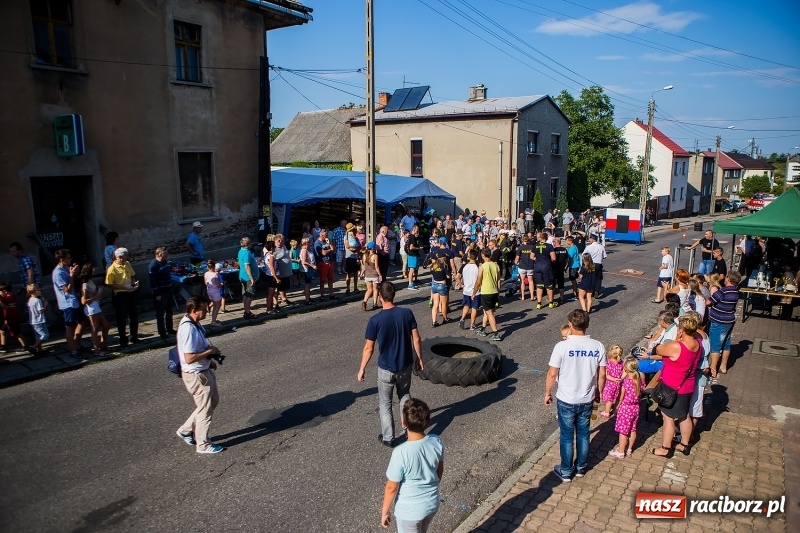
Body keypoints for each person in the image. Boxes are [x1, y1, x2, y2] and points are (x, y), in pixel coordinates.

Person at [357, 281, 424, 447]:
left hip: (386, 368)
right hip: (405, 364)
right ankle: (408, 426)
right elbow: (416, 338)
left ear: (380, 297)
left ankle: (388, 437)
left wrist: (362, 368)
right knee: (405, 395)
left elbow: (368, 348)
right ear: (394, 295)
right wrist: (419, 358)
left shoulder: (375, 320)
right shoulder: (407, 313)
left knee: (385, 403)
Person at [545, 309, 607, 481]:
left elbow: (552, 373)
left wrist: (547, 393)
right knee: (583, 433)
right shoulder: (598, 346)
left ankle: (566, 470)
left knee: (566, 436)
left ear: (570, 325)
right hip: (586, 397)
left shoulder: (562, 346)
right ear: (587, 325)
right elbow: (602, 374)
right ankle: (580, 467)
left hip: (566, 398)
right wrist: (599, 391)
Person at [381, 398, 444, 532]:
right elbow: (439, 471)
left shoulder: (400, 452)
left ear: (403, 422)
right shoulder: (436, 441)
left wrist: (385, 512)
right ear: (428, 422)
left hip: (410, 512)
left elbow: (391, 487)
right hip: (432, 503)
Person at [175, 296, 225, 454]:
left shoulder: (193, 322)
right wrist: (209, 352)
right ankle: (203, 444)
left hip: (203, 369)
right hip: (196, 375)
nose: (207, 311)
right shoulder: (188, 329)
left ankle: (185, 430)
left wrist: (208, 361)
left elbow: (197, 349)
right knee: (205, 409)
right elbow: (189, 358)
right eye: (204, 309)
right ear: (194, 311)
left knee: (212, 401)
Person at [650, 314, 702, 458]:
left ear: (681, 330)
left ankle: (665, 448)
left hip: (671, 387)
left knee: (667, 418)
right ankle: (684, 444)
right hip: (687, 386)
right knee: (684, 416)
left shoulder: (676, 346)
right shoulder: (698, 343)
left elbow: (657, 349)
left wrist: (675, 339)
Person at [52, 249, 87, 358]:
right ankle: (73, 350)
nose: (70, 259)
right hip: (68, 303)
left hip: (74, 300)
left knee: (82, 321)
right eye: (68, 258)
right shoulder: (58, 273)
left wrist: (74, 272)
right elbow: (67, 289)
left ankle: (76, 344)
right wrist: (71, 276)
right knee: (69, 327)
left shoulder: (66, 268)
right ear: (62, 260)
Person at [706, 270, 741, 379]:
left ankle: (713, 369)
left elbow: (708, 302)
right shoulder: (735, 292)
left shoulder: (723, 291)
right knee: (726, 344)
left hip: (718, 321)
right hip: (729, 321)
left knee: (715, 346)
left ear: (728, 279)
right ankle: (724, 366)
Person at [607, 358, 645, 459]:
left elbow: (620, 397)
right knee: (632, 429)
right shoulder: (639, 379)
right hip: (635, 407)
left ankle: (620, 451)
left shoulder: (626, 382)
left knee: (623, 431)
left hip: (625, 408)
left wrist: (615, 408)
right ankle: (629, 449)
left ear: (625, 368)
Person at [105, 248, 140, 347]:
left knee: (134, 315)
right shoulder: (112, 269)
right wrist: (124, 287)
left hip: (130, 292)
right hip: (120, 295)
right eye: (126, 255)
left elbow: (132, 275)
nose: (128, 257)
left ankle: (134, 337)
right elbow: (110, 284)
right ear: (120, 257)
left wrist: (134, 283)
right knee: (121, 318)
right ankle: (123, 340)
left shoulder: (127, 264)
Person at [79, 263, 110, 356]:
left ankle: (102, 343)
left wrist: (98, 288)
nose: (94, 271)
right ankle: (96, 349)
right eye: (92, 270)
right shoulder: (84, 284)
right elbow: (84, 301)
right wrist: (97, 295)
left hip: (96, 305)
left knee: (106, 326)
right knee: (95, 328)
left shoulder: (90, 281)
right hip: (91, 307)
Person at [473, 248, 502, 341]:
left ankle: (496, 333)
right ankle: (483, 329)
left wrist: (474, 292)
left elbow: (478, 281)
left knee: (489, 313)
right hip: (494, 291)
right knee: (487, 311)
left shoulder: (482, 267)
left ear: (483, 256)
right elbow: (498, 280)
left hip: (486, 291)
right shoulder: (496, 266)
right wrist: (498, 292)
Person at [149, 247, 175, 340]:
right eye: (166, 254)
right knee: (160, 313)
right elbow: (153, 281)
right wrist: (157, 294)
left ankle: (170, 328)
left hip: (168, 289)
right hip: (161, 292)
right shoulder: (154, 265)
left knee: (170, 311)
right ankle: (162, 332)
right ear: (160, 254)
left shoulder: (165, 263)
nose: (167, 255)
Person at [0, 282, 27, 353]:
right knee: (2, 331)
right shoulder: (12, 296)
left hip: (10, 319)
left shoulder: (5, 299)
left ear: (4, 291)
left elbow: (3, 305)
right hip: (12, 317)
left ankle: (25, 346)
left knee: (17, 333)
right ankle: (3, 346)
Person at [532, 232, 557, 309]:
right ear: (546, 238)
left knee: (539, 285)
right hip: (546, 267)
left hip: (537, 267)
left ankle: (539, 303)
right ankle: (551, 303)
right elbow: (554, 258)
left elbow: (531, 256)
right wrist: (549, 261)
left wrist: (537, 260)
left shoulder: (535, 246)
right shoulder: (549, 246)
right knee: (549, 286)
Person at [458, 249, 481, 331]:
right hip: (475, 291)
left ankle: (462, 319)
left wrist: (461, 285)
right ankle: (472, 325)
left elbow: (457, 277)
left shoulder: (464, 266)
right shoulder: (478, 267)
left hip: (466, 290)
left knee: (466, 305)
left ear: (469, 256)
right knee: (474, 308)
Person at [238, 236, 259, 319]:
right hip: (247, 278)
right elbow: (247, 266)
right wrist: (252, 278)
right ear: (246, 244)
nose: (251, 244)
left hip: (243, 276)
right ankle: (247, 312)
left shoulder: (241, 251)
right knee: (250, 295)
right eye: (249, 242)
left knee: (245, 294)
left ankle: (246, 311)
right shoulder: (246, 253)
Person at [599, 345, 623, 418]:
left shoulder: (608, 363)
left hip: (610, 384)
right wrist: (620, 378)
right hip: (618, 383)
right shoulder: (621, 362)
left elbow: (606, 375)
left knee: (609, 399)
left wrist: (613, 379)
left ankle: (607, 412)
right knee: (618, 397)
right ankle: (616, 410)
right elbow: (624, 371)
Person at [314, 229, 337, 300]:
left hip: (330, 261)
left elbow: (334, 249)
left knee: (330, 278)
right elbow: (323, 253)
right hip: (322, 263)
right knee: (323, 280)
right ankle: (322, 295)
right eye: (326, 235)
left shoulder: (326, 241)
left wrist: (329, 243)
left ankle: (331, 294)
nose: (327, 236)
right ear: (321, 235)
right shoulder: (317, 243)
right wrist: (330, 250)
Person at [26, 284, 49, 355]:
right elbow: (40, 311)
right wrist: (45, 305)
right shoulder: (37, 300)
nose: (40, 291)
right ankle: (33, 347)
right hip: (39, 321)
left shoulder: (30, 300)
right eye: (38, 290)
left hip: (33, 321)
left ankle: (40, 349)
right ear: (35, 291)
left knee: (38, 336)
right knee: (44, 335)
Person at [273, 234, 294, 305]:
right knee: (280, 287)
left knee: (284, 286)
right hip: (280, 272)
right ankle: (279, 300)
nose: (285, 241)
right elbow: (273, 260)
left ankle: (284, 298)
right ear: (279, 240)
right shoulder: (274, 249)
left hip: (286, 271)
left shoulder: (284, 246)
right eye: (283, 240)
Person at [515, 235, 536, 302]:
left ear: (522, 240)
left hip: (522, 266)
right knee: (531, 281)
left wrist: (516, 262)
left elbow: (517, 258)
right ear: (528, 240)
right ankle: (532, 296)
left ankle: (523, 296)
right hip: (530, 266)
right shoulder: (532, 247)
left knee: (522, 281)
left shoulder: (520, 248)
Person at [361, 242, 382, 311]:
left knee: (369, 290)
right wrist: (380, 274)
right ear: (372, 248)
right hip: (374, 275)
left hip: (367, 275)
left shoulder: (364, 255)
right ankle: (374, 304)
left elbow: (364, 266)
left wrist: (362, 273)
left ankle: (364, 302)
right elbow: (377, 267)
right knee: (375, 289)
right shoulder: (375, 256)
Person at [204, 260, 223, 325]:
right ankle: (213, 321)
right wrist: (222, 284)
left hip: (209, 291)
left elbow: (205, 283)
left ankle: (213, 319)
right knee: (217, 306)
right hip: (215, 291)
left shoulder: (206, 273)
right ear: (214, 266)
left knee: (214, 304)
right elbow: (218, 285)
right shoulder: (215, 274)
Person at [405, 225, 422, 290]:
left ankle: (411, 282)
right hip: (412, 255)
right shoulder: (412, 237)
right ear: (414, 230)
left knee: (413, 269)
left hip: (413, 255)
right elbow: (411, 247)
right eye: (416, 230)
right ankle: (410, 284)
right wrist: (418, 248)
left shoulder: (412, 237)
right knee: (411, 270)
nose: (417, 231)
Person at [566, 236, 581, 300]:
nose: (566, 241)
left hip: (573, 266)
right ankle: (575, 293)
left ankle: (575, 294)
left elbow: (569, 259)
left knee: (573, 280)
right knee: (573, 280)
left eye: (567, 240)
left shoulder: (571, 249)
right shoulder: (575, 247)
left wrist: (566, 267)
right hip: (576, 264)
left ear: (570, 241)